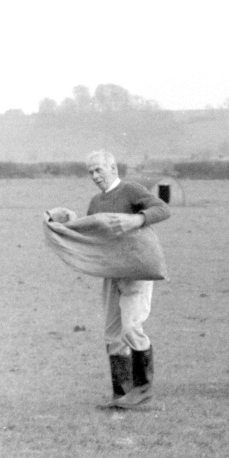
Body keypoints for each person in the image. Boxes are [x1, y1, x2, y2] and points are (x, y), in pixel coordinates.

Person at [80, 150, 171, 409]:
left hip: (137, 270)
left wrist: (137, 219)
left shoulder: (131, 191)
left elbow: (162, 209)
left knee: (131, 328)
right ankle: (122, 395)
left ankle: (144, 395)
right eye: (90, 172)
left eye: (99, 169)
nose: (95, 176)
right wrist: (64, 223)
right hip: (111, 272)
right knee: (112, 334)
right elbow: (89, 231)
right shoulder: (96, 202)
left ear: (113, 168)